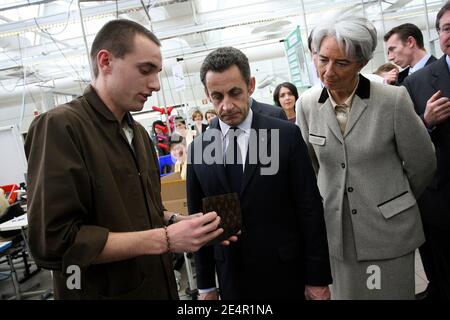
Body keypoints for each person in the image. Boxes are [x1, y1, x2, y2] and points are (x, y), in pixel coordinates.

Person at [24, 19, 226, 300]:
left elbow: (142, 213)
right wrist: (166, 240)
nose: (155, 84)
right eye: (145, 70)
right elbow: (54, 241)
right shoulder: (61, 127)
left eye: (157, 72)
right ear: (105, 61)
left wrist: (180, 222)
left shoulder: (139, 135)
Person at [297, 15, 436, 299]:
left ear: (361, 63)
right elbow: (309, 168)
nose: (328, 72)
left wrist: (394, 200)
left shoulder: (391, 100)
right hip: (338, 235)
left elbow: (423, 163)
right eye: (323, 60)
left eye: (341, 63)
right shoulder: (307, 105)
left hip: (389, 232)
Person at [187, 46, 332, 300]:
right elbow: (196, 220)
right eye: (217, 96)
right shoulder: (199, 149)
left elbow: (309, 209)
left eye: (235, 93)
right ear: (206, 95)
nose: (226, 105)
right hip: (231, 277)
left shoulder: (284, 136)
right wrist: (206, 286)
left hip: (285, 273)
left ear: (250, 85)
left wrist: (317, 278)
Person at [402, 1, 450, 300]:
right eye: (446, 29)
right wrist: (426, 122)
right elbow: (404, 142)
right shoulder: (417, 82)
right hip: (442, 202)